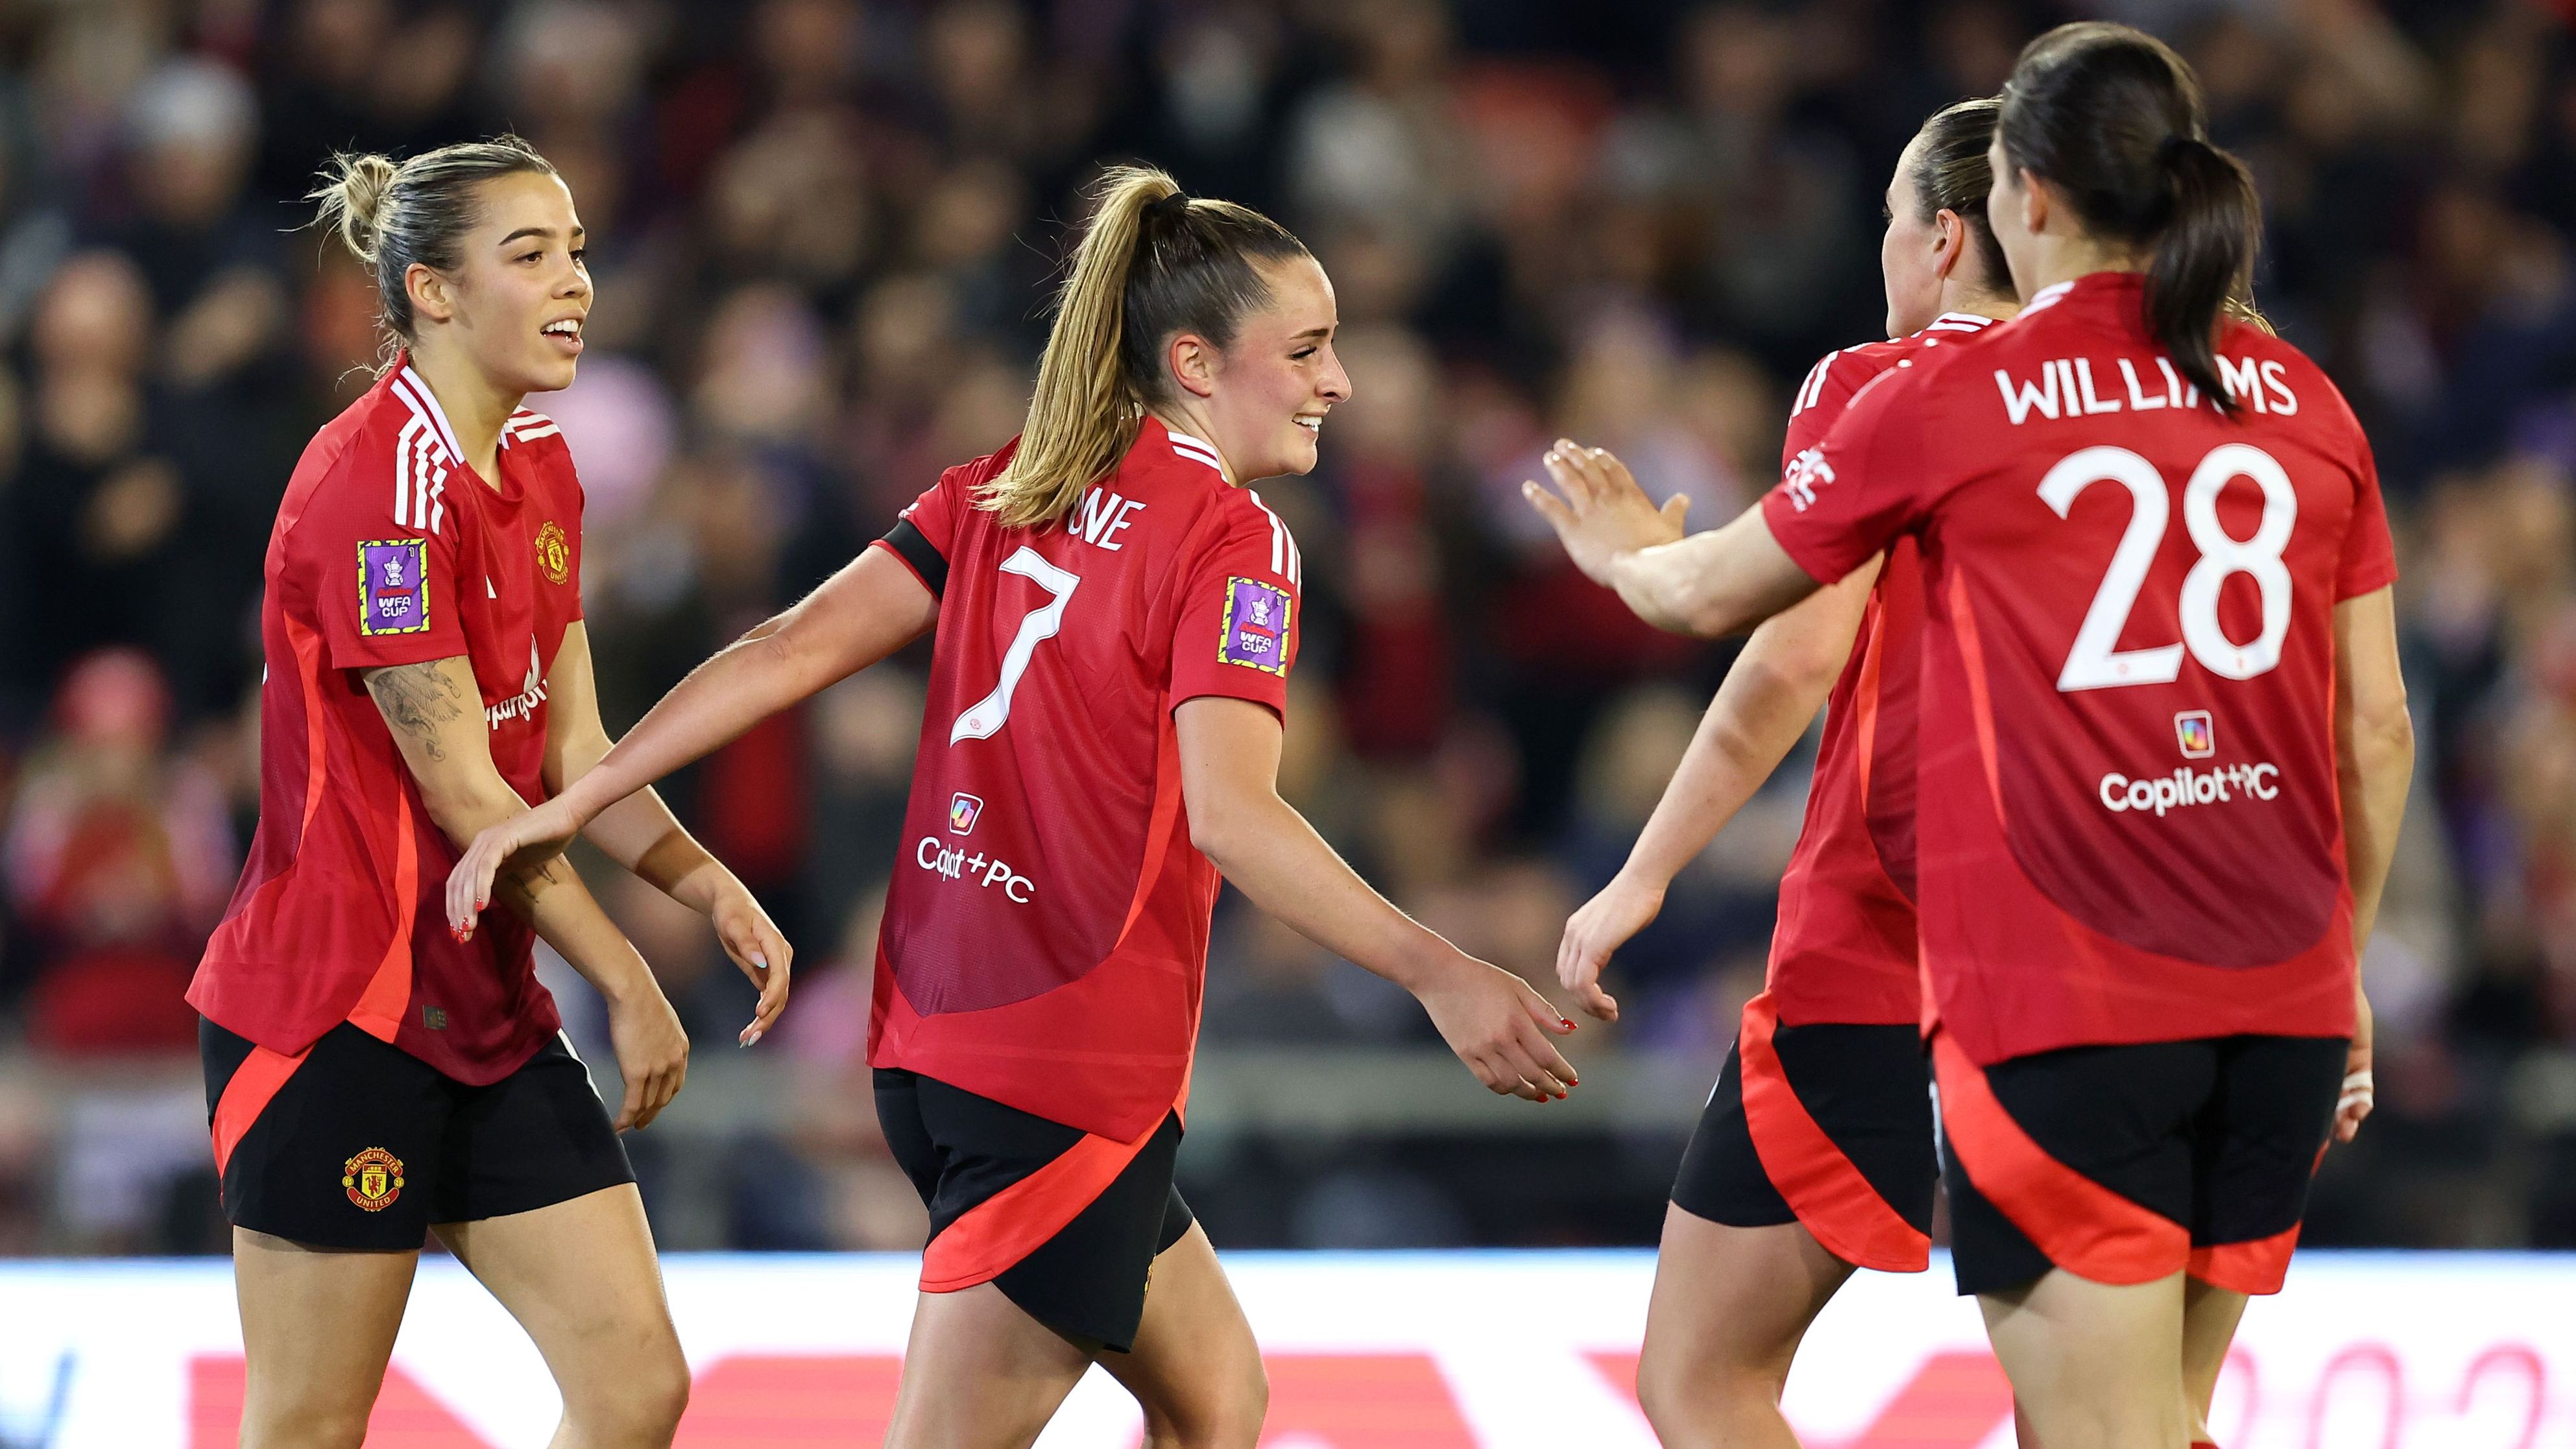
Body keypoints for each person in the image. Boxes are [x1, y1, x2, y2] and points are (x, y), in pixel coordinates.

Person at [444, 164, 1579, 1449]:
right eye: (1310, 348)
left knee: (1218, 1401)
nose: (1340, 381)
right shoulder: (1236, 540)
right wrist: (1442, 971)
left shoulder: (1002, 489)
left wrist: (585, 791)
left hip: (934, 1043)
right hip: (1063, 1069)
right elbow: (1235, 816)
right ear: (1197, 364)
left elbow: (785, 647)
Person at [1524, 23, 2411, 1448]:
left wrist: (1627, 552)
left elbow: (1751, 627)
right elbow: (2372, 725)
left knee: (2025, 1422)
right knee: (2155, 1420)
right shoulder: (2298, 392)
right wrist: (2349, 969)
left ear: (2021, 199)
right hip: (2281, 987)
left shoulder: (1942, 390)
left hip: (2035, 983)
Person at [187, 136, 791, 1449]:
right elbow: (469, 791)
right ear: (432, 291)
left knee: (636, 1388)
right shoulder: (377, 493)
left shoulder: (545, 467)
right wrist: (629, 979)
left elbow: (573, 754)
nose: (576, 283)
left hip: (484, 1010)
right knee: (306, 1426)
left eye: (575, 251)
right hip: (337, 1016)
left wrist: (703, 878)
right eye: (531, 256)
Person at [1545, 97, 2015, 1449]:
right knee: (2111, 1408)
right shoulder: (2153, 410)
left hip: (1883, 948)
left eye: (1884, 219)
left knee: (1699, 1377)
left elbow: (1786, 660)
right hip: (2107, 948)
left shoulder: (1878, 386)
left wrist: (1643, 870)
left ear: (1938, 237)